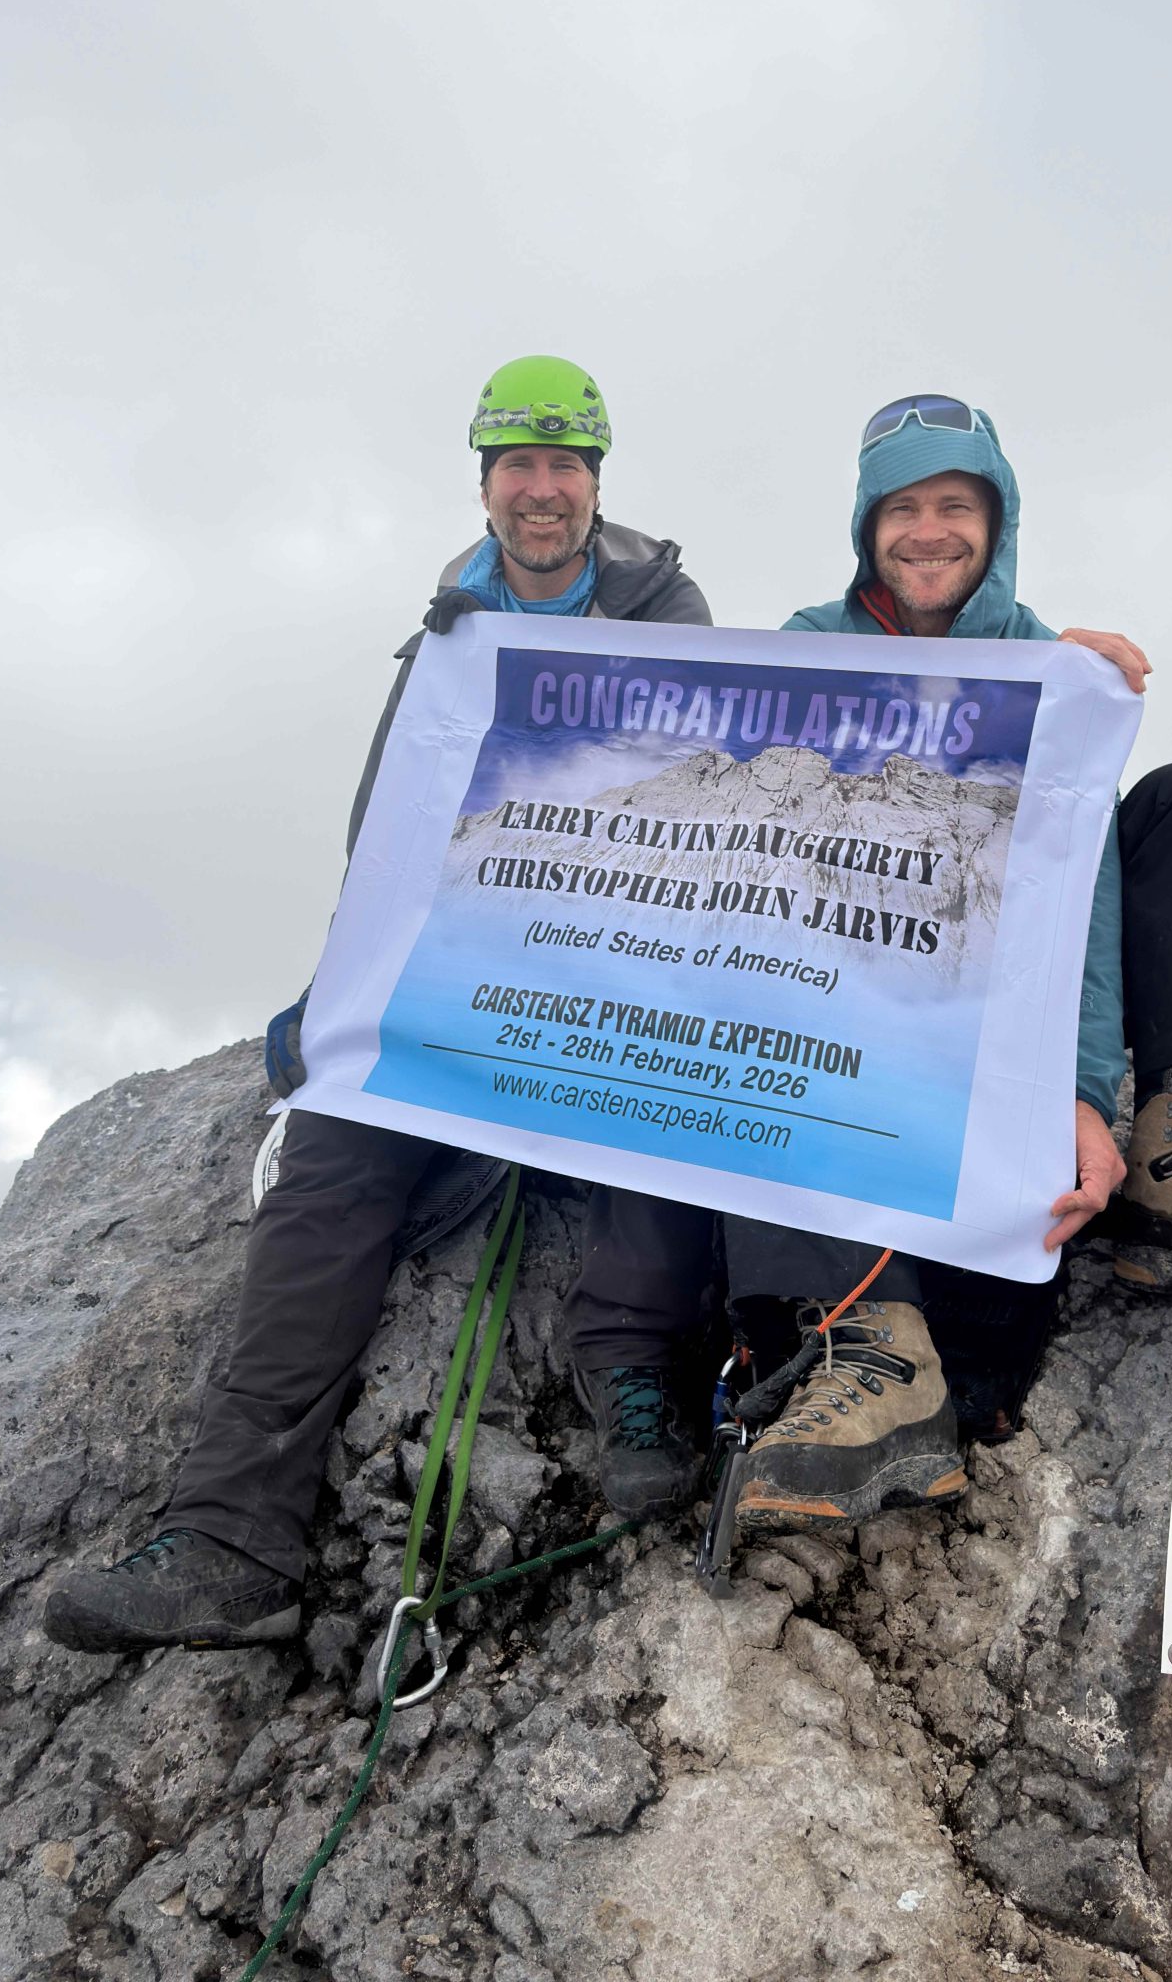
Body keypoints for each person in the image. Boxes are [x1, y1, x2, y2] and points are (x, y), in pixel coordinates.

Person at [44, 357, 718, 1652]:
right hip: (469, 975)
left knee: (671, 1090)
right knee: (336, 1150)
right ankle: (235, 1538)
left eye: (566, 464)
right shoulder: (445, 641)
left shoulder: (665, 616)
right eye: (518, 464)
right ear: (484, 484)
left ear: (595, 484)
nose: (543, 490)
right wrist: (341, 986)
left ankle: (640, 1387)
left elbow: (692, 816)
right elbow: (390, 838)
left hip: (612, 966)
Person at [726, 393, 1172, 1538]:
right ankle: (873, 1348)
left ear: (997, 521)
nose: (927, 532)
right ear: (866, 528)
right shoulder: (811, 648)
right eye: (900, 508)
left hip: (1021, 1043)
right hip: (885, 1019)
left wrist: (1082, 1091)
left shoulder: (1044, 661)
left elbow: (1085, 890)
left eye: (955, 505)